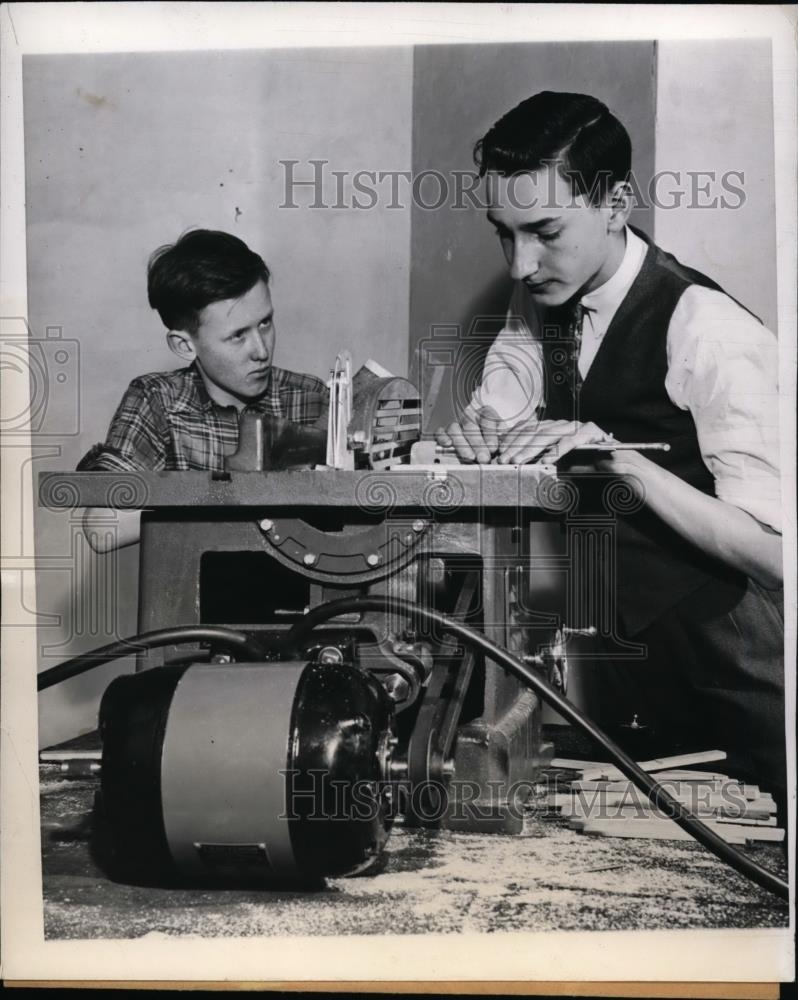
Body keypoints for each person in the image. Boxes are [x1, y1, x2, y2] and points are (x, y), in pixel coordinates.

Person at [438, 92, 785, 802]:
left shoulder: (708, 329)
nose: (520, 263)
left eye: (544, 231)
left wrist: (623, 461)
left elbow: (773, 554)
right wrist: (477, 434)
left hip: (729, 656)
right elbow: (503, 396)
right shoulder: (540, 299)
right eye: (504, 234)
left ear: (616, 204)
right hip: (626, 660)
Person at [79, 229, 328, 549]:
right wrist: (227, 495)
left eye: (265, 323)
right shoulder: (159, 401)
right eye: (238, 335)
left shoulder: (310, 398)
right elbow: (102, 527)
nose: (261, 350)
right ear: (184, 345)